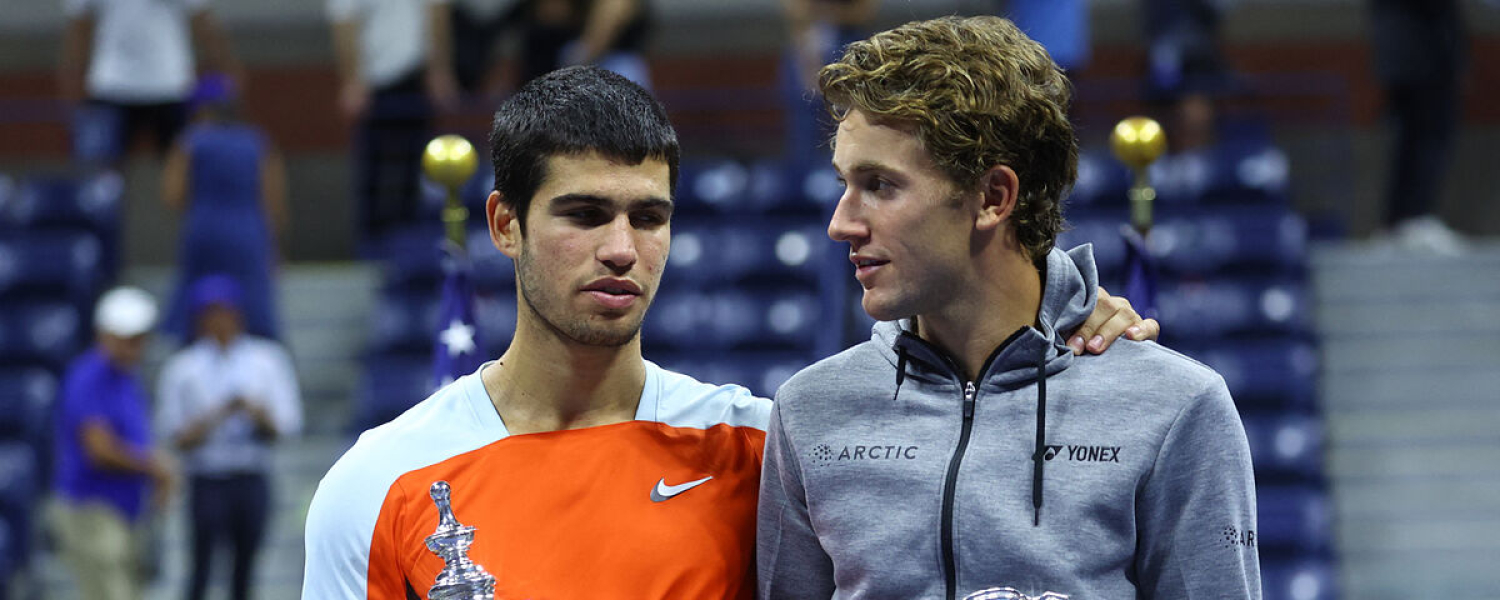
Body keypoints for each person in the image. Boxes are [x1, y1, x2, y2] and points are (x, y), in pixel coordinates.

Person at [301, 66, 1156, 600]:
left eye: (649, 217)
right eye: (584, 214)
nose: (620, 250)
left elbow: (963, 427)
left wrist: (1065, 324)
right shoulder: (379, 484)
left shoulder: (764, 446)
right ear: (503, 223)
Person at [757, 16, 1259, 600]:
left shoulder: (1175, 408)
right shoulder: (808, 411)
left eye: (880, 185)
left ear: (993, 197)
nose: (840, 223)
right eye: (845, 182)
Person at [157, 275, 302, 600]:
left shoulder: (267, 359)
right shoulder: (183, 368)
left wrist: (255, 413)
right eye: (211, 312)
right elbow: (174, 435)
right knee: (201, 566)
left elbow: (288, 425)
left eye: (225, 310)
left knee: (246, 568)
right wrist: (217, 415)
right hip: (207, 476)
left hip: (251, 474)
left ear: (239, 313)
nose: (219, 319)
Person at [49, 286, 174, 600]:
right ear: (104, 335)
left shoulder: (128, 379)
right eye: (127, 337)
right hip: (93, 511)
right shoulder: (87, 377)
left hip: (126, 512)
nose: (136, 346)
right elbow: (98, 449)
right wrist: (153, 466)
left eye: (140, 337)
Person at [161, 75, 288, 343]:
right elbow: (272, 201)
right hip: (248, 232)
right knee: (254, 310)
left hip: (205, 229)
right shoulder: (257, 142)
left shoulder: (191, 140)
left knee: (197, 307)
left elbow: (172, 195)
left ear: (202, 110)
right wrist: (273, 246)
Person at [328, 0, 460, 246]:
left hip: (413, 77)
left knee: (416, 166)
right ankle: (375, 245)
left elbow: (436, 12)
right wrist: (352, 80)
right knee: (375, 171)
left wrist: (439, 71)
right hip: (373, 84)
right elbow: (344, 22)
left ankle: (410, 242)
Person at [58, 0, 242, 164]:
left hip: (170, 85)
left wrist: (225, 64)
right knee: (102, 173)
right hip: (112, 86)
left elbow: (202, 20)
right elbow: (79, 26)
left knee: (183, 170)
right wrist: (71, 75)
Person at [1368, 0, 1468, 254]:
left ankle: (1401, 219)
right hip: (1421, 51)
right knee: (1427, 137)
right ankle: (1414, 218)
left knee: (1413, 139)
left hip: (1406, 51)